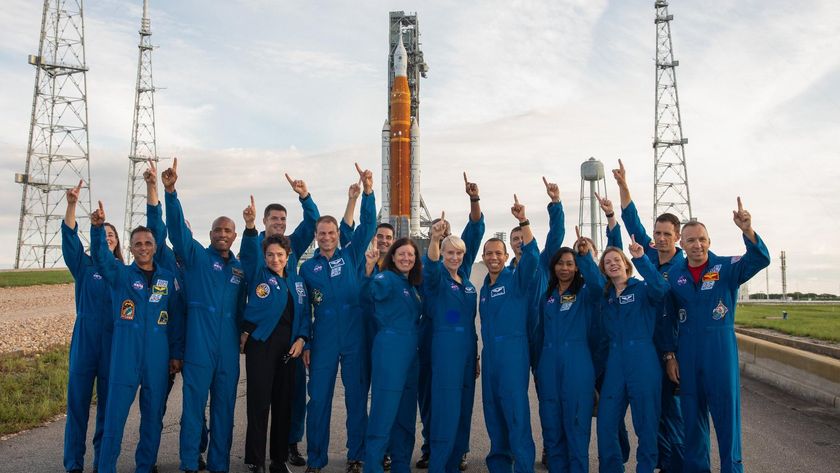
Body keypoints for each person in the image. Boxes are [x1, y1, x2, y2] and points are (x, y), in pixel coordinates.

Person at [664, 198, 770, 473]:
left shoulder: (727, 267)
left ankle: (731, 469)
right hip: (687, 353)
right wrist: (670, 355)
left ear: (709, 241)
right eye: (690, 240)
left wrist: (747, 230)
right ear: (682, 244)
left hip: (719, 352)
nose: (696, 245)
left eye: (701, 239)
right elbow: (668, 319)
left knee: (726, 419)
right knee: (692, 420)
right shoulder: (675, 275)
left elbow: (760, 259)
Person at [162, 158, 247, 473]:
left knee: (225, 410)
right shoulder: (196, 257)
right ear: (210, 233)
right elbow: (177, 234)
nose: (222, 234)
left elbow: (245, 308)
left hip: (226, 349)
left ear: (234, 236)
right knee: (193, 410)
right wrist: (171, 193)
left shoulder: (239, 268)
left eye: (228, 230)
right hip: (199, 348)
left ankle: (219, 464)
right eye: (218, 230)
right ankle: (188, 463)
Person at [88, 201, 185, 473]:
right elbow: (102, 258)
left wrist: (176, 353)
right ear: (130, 249)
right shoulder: (120, 275)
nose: (143, 247)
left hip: (157, 356)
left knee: (153, 417)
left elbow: (175, 319)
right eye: (138, 244)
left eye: (148, 243)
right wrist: (97, 229)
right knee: (114, 417)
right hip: (125, 356)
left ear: (155, 247)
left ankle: (145, 466)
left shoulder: (167, 279)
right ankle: (105, 467)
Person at [300, 163, 376, 473]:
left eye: (332, 232)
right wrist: (304, 339)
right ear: (316, 236)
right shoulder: (308, 269)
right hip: (325, 338)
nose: (327, 237)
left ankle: (356, 455)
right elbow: (305, 307)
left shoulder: (351, 254)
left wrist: (367, 192)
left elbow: (368, 225)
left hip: (355, 336)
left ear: (337, 234)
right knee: (318, 400)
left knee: (356, 399)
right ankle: (316, 459)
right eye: (322, 233)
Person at [612, 159, 685, 472]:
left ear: (677, 236)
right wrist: (623, 186)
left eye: (667, 233)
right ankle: (661, 464)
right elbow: (634, 225)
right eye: (658, 233)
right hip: (649, 348)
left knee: (676, 414)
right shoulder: (650, 256)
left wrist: (674, 353)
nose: (662, 238)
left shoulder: (686, 267)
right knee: (651, 416)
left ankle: (681, 465)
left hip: (678, 349)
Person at [144, 160, 210, 471]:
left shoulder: (200, 266)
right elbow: (156, 228)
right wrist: (155, 189)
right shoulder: (166, 260)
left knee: (196, 408)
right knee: (155, 405)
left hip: (196, 346)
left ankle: (196, 451)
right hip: (167, 347)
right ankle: (148, 458)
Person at [417, 172, 485, 472]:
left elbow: (475, 230)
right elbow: (431, 266)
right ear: (442, 252)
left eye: (459, 253)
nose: (455, 257)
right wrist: (434, 238)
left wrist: (474, 199)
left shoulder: (467, 280)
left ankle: (458, 452)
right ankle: (435, 452)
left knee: (462, 404)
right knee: (437, 403)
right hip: (438, 345)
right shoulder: (436, 278)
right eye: (450, 252)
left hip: (466, 350)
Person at [583, 236, 668, 473]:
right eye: (607, 262)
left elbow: (662, 289)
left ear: (626, 264)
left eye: (617, 259)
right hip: (615, 363)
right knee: (607, 423)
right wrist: (583, 255)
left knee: (647, 424)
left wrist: (641, 258)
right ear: (603, 269)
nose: (612, 264)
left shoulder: (642, 288)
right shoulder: (605, 296)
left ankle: (646, 468)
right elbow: (590, 278)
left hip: (643, 360)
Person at [240, 195, 312, 473]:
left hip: (289, 349)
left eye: (279, 255)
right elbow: (248, 254)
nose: (274, 258)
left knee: (284, 406)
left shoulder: (297, 281)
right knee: (259, 404)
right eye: (270, 254)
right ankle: (255, 460)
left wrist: (302, 338)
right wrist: (248, 227)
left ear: (287, 256)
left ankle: (278, 459)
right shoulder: (259, 273)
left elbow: (305, 314)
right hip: (261, 345)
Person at [254, 173, 321, 468]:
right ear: (265, 222)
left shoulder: (292, 245)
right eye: (274, 220)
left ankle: (290, 445)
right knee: (262, 399)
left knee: (291, 397)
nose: (279, 224)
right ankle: (257, 455)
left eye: (283, 220)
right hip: (263, 335)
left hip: (291, 333)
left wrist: (305, 196)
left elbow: (313, 223)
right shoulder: (253, 248)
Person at [61, 180, 122, 473]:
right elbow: (69, 240)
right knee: (77, 406)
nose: (107, 237)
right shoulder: (84, 267)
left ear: (117, 242)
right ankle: (73, 464)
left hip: (113, 344)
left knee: (107, 410)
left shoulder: (124, 273)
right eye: (103, 233)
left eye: (112, 235)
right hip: (85, 340)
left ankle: (102, 463)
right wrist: (72, 205)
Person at [479, 195, 540, 473]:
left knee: (515, 414)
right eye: (488, 253)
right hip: (491, 356)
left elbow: (533, 257)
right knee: (493, 413)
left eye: (498, 254)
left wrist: (523, 221)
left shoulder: (517, 281)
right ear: (483, 257)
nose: (493, 257)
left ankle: (523, 467)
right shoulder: (484, 290)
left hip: (513, 355)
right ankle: (500, 465)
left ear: (506, 257)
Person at [363, 238, 424, 473]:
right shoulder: (386, 278)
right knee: (384, 412)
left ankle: (401, 466)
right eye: (401, 254)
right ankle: (373, 467)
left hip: (410, 354)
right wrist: (369, 269)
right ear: (392, 256)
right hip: (390, 351)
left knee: (406, 417)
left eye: (410, 255)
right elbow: (370, 293)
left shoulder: (411, 286)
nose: (406, 258)